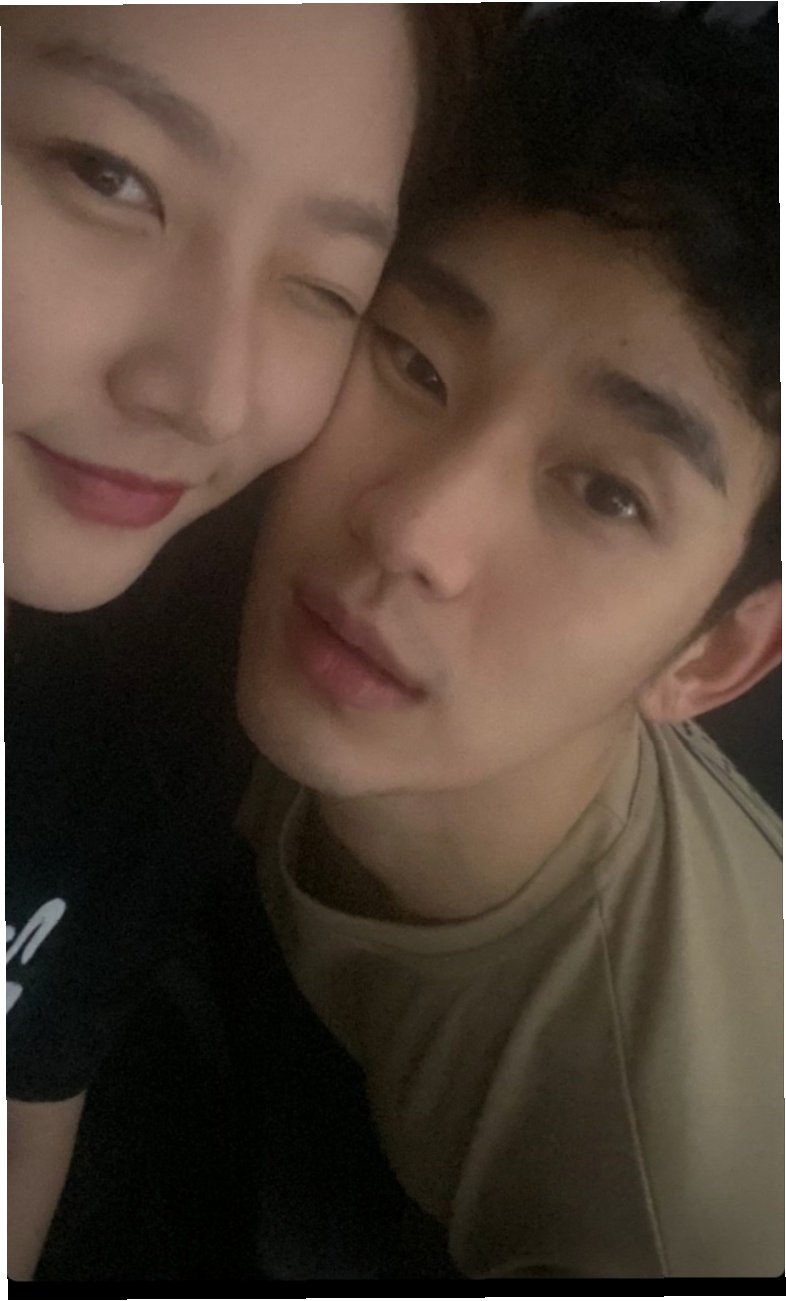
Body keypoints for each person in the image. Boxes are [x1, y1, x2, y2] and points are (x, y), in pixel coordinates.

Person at [237, 3, 782, 1279]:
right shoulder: (222, 512)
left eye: (608, 494)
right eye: (416, 362)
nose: (410, 527)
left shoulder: (655, 1214)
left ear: (711, 658)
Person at [4, 2, 499, 1279]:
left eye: (325, 287)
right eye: (108, 176)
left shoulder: (163, 686)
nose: (210, 395)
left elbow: (25, 1092)